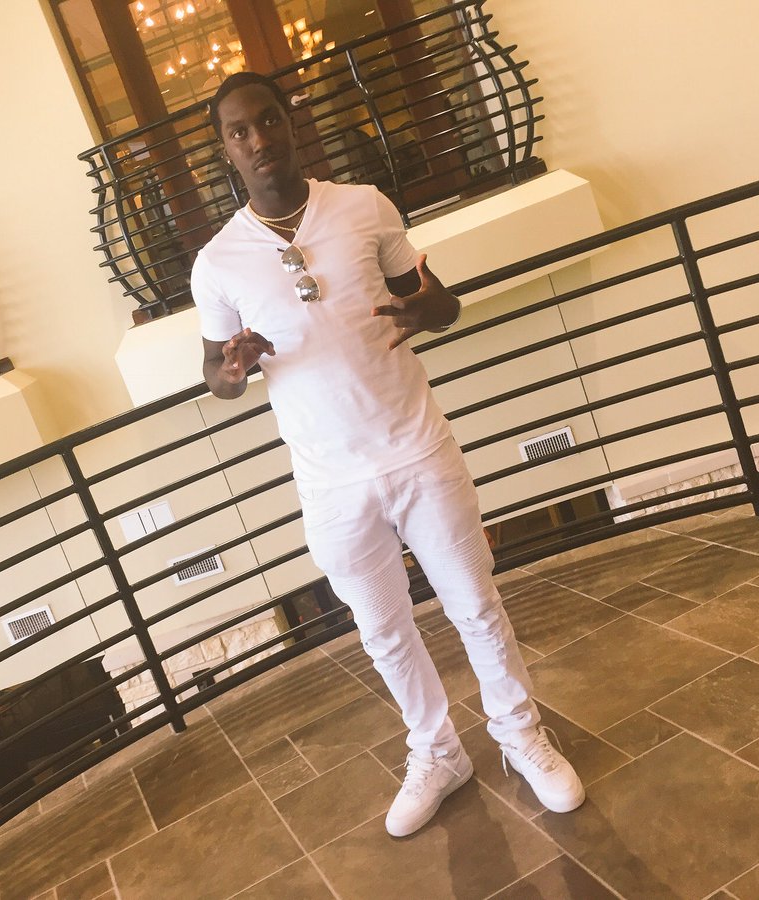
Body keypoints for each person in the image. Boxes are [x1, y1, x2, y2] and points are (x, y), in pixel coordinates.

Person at [190, 71, 584, 837]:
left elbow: (441, 301)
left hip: (417, 449)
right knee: (383, 632)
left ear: (290, 124)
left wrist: (429, 309)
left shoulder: (363, 206)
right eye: (240, 131)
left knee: (476, 606)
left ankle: (520, 736)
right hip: (331, 482)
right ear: (225, 149)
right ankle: (438, 753)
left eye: (268, 121)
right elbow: (215, 376)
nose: (259, 139)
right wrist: (232, 370)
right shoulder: (219, 263)